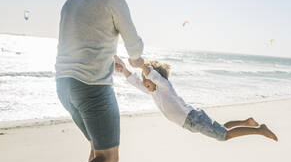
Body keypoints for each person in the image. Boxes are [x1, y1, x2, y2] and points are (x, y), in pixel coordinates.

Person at [55, 0, 144, 162]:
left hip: (64, 86)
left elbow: (82, 40)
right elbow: (134, 46)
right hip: (93, 89)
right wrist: (137, 62)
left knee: (97, 148)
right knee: (109, 158)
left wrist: (109, 56)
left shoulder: (71, 0)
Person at [114, 56, 278, 142]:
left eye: (145, 78)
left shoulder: (164, 87)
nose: (143, 81)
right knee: (221, 129)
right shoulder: (153, 91)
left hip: (193, 119)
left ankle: (260, 130)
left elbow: (153, 75)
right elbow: (136, 82)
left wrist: (142, 65)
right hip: (191, 122)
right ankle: (247, 122)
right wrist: (124, 69)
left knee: (224, 136)